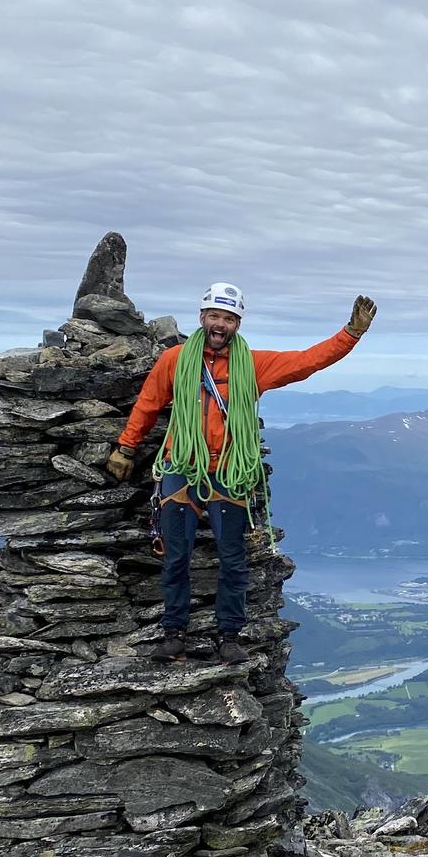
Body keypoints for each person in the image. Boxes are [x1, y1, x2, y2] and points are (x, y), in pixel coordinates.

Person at [109, 282, 376, 663]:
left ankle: (229, 636)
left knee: (233, 559)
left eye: (229, 318)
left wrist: (350, 334)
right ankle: (173, 634)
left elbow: (306, 361)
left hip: (228, 471)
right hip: (182, 467)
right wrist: (125, 448)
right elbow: (148, 404)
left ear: (237, 324)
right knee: (175, 556)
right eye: (215, 316)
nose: (220, 324)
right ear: (202, 318)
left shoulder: (252, 365)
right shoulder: (174, 360)